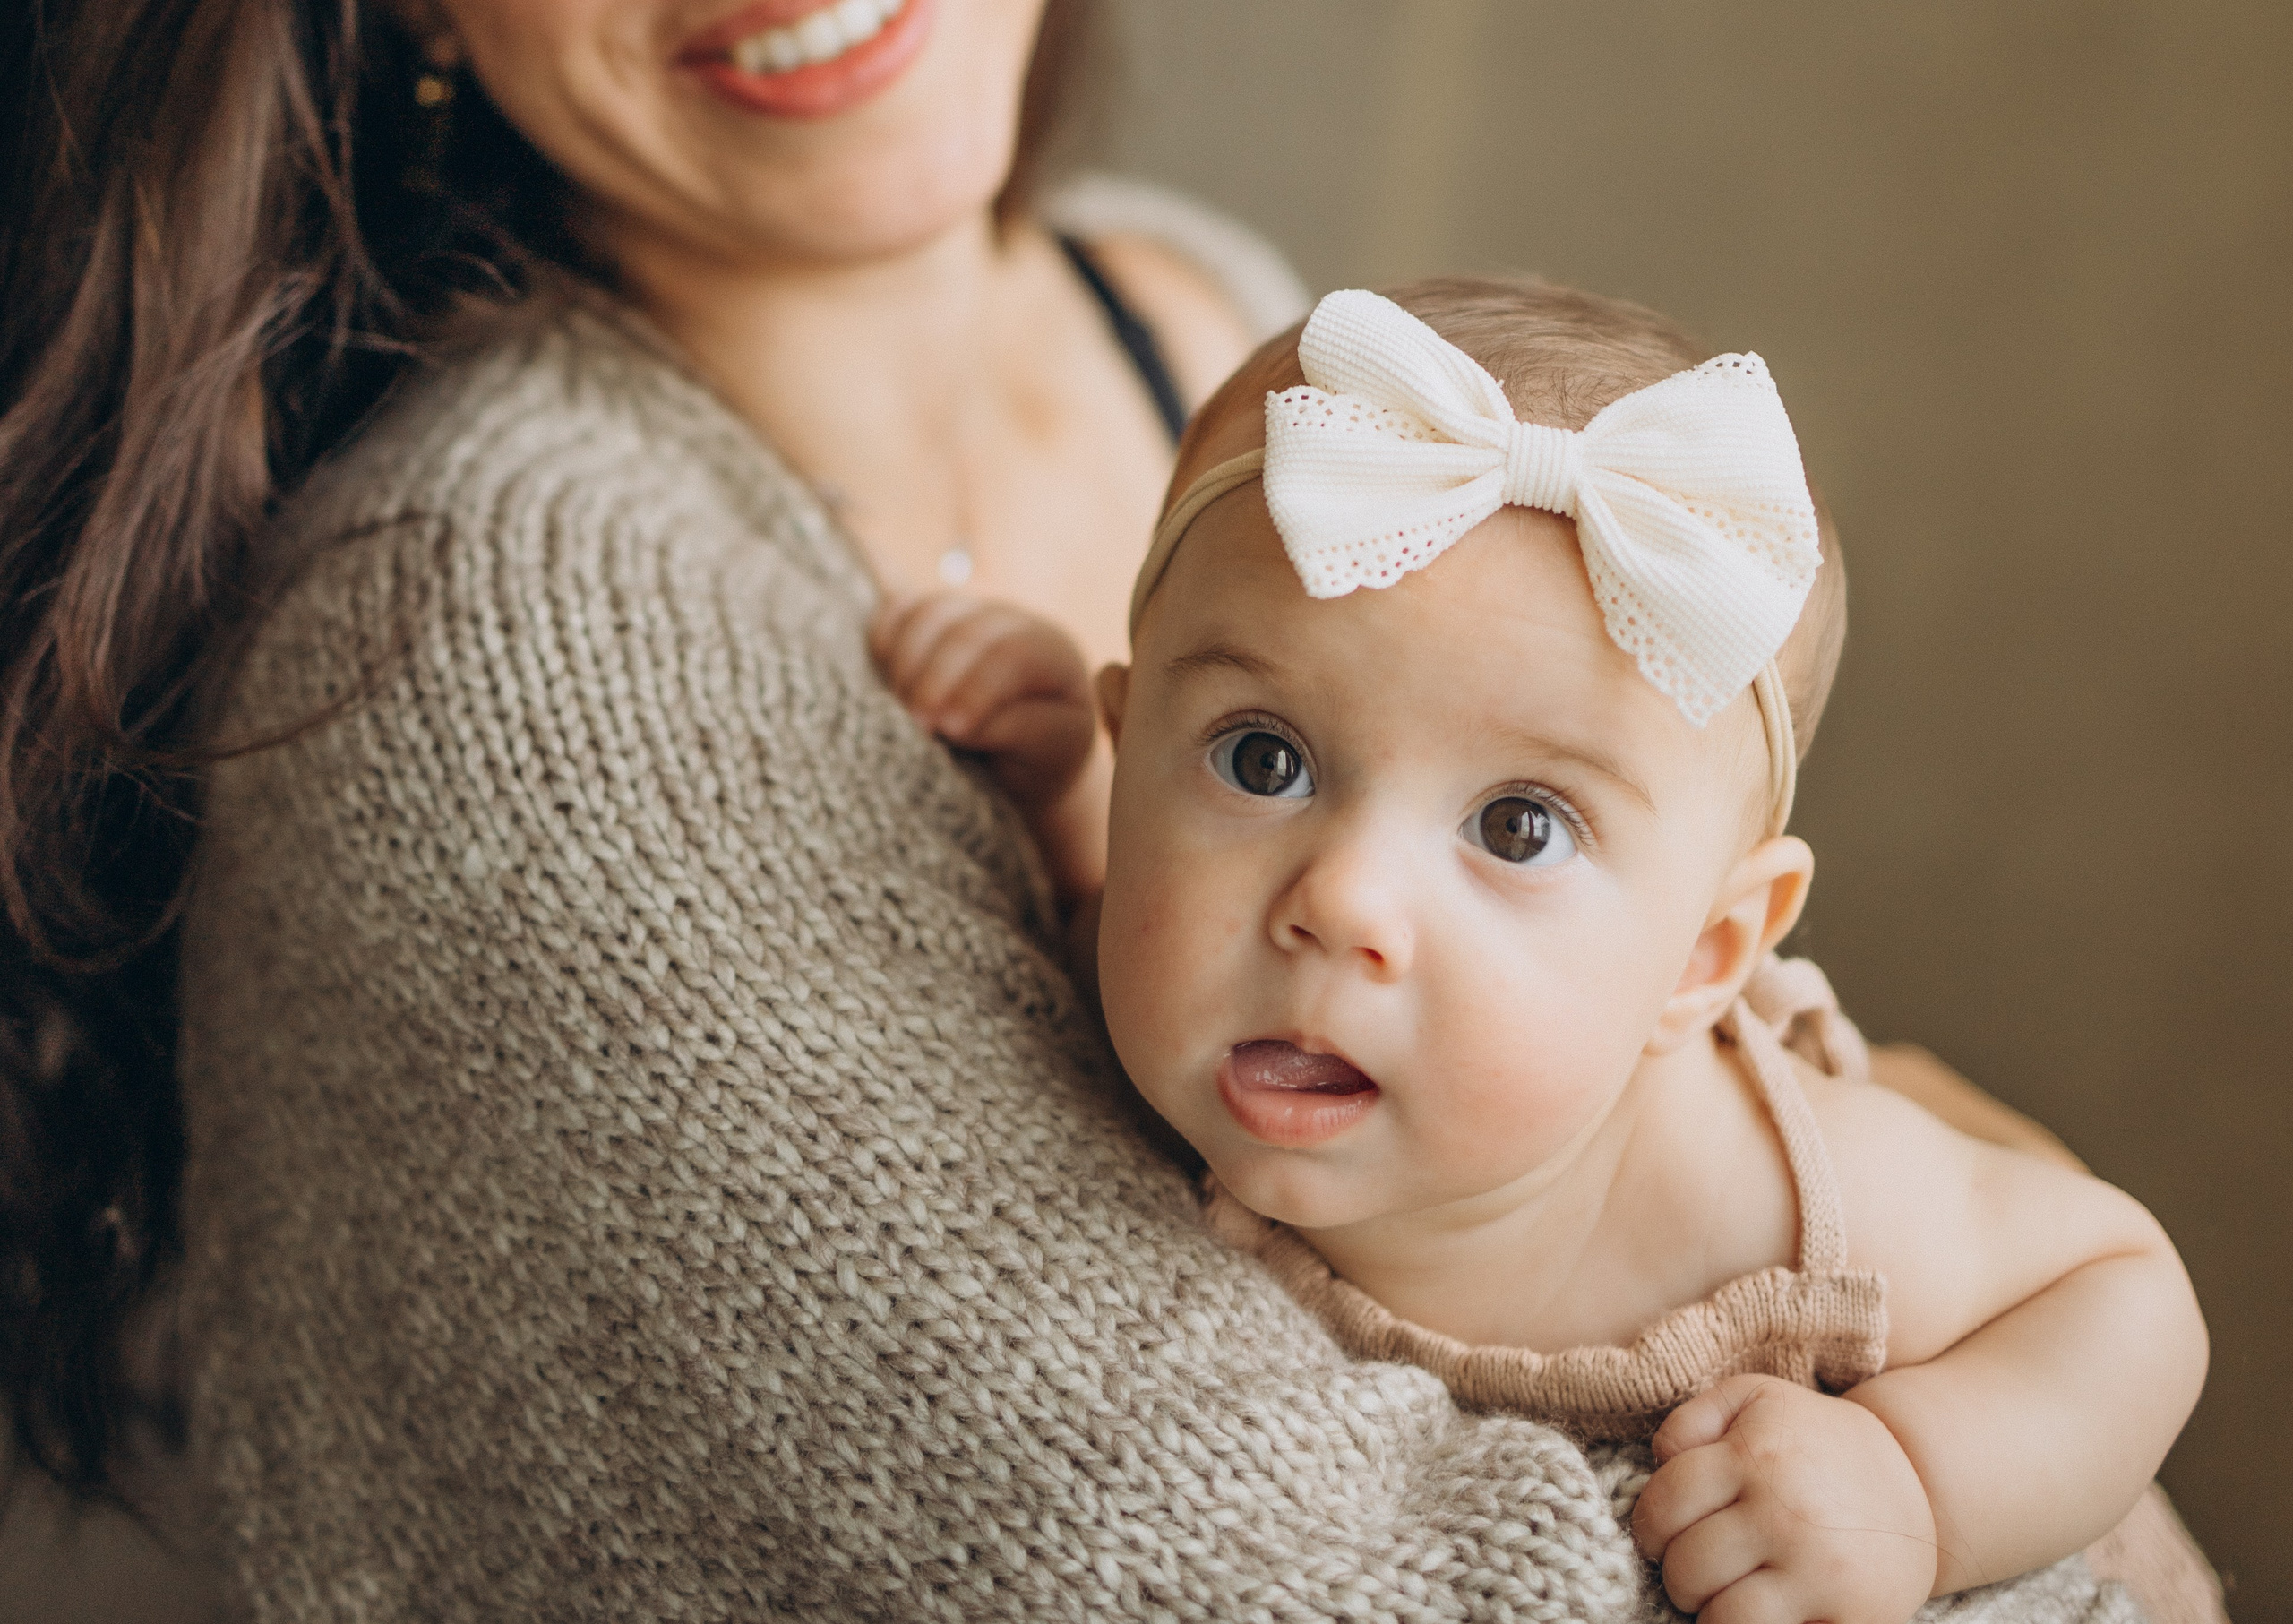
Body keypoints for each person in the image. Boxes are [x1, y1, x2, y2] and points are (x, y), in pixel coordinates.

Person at [0, 0, 2160, 1615]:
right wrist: (2072, 1562)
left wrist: (1941, 1464)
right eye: (1244, 758)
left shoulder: (1204, 316)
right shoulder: (496, 640)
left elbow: (2078, 1292)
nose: (1334, 902)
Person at [872, 279, 2219, 1623]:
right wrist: (1041, 798)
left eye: (1518, 827)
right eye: (1260, 757)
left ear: (1707, 953)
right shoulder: (1197, 977)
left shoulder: (1774, 1200)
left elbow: (2123, 1288)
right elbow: (1123, 903)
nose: (1339, 900)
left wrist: (1918, 1483)